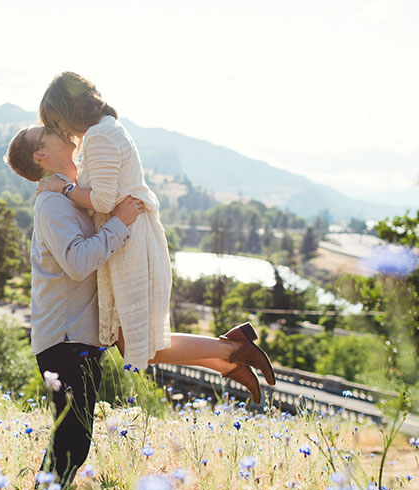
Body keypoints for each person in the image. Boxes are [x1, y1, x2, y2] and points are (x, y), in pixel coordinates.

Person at [5, 125, 273, 486]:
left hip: (80, 332)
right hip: (64, 340)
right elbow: (79, 261)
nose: (60, 129)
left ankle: (230, 354)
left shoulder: (68, 194)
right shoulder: (51, 204)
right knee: (72, 441)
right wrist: (119, 223)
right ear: (41, 154)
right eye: (49, 131)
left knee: (132, 354)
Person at [35, 71, 275, 392]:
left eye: (58, 121)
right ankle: (227, 358)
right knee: (135, 342)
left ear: (68, 112)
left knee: (138, 344)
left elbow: (104, 200)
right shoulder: (108, 130)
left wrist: (64, 189)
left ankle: (231, 351)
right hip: (129, 236)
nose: (63, 131)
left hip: (129, 240)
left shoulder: (99, 136)